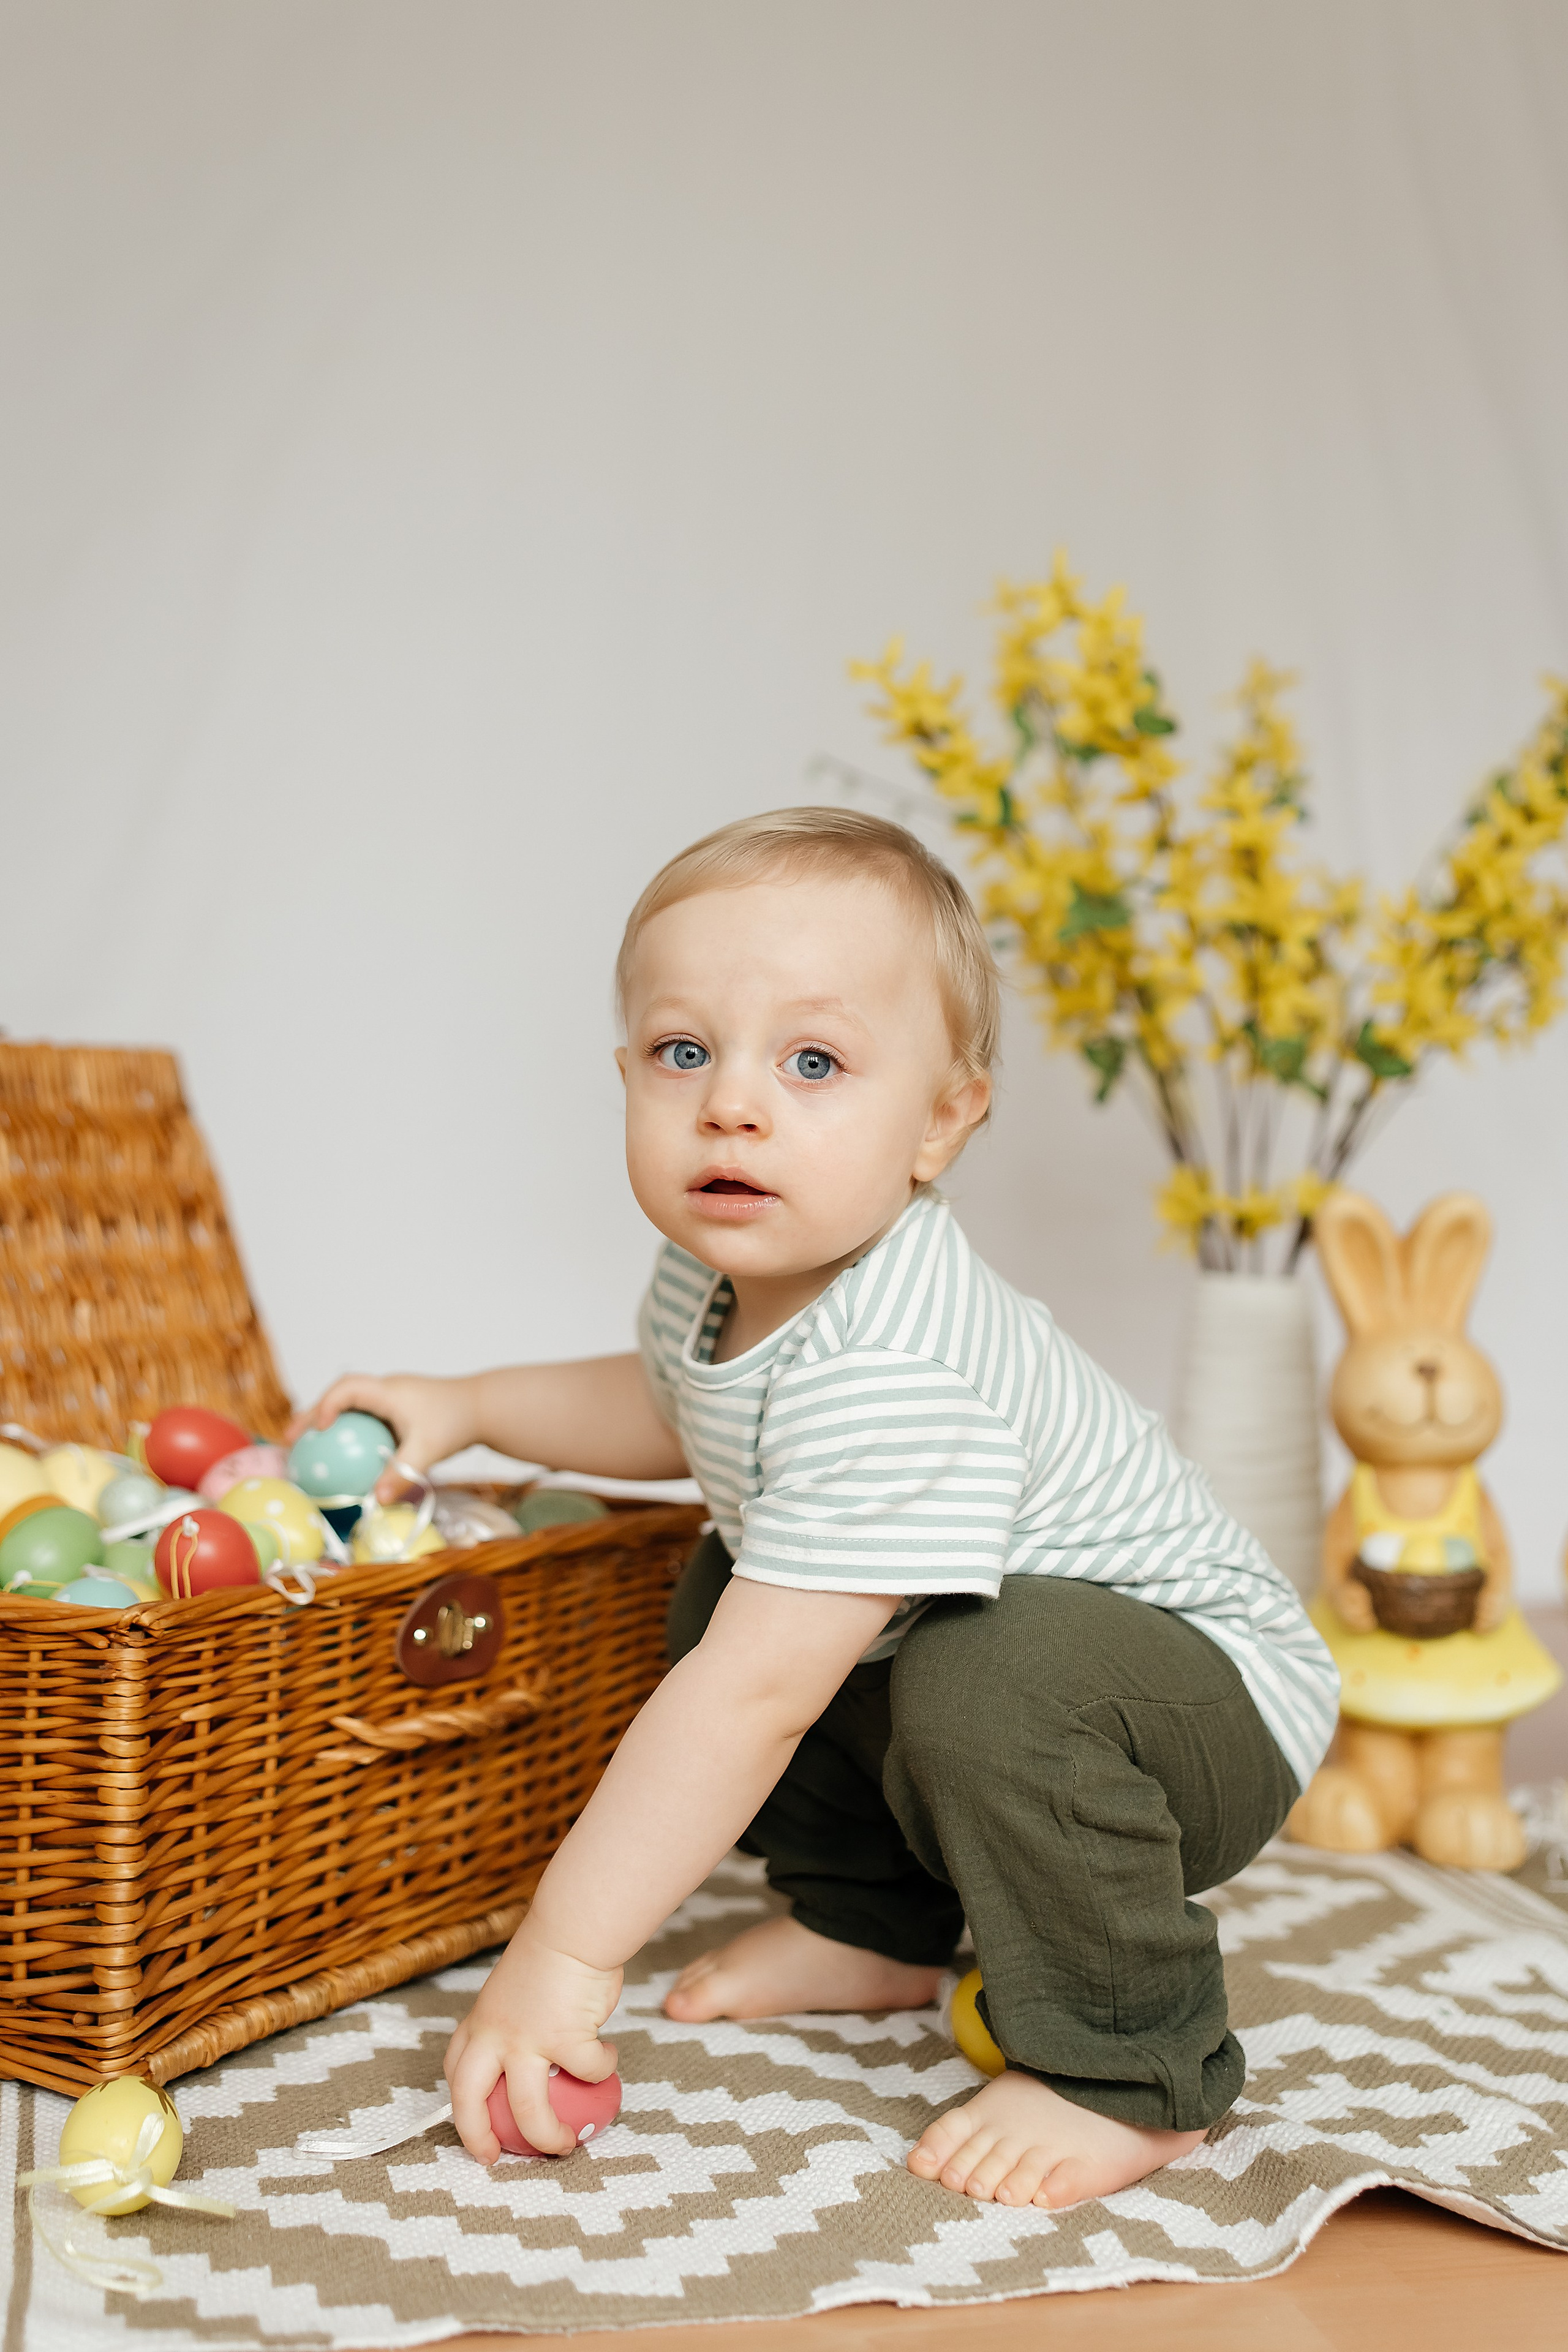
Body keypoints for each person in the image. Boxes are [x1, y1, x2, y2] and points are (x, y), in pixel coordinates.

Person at [293, 807, 1338, 2211]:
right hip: (1039, 1669)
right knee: (740, 1576)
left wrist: (563, 1953)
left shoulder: (895, 1358)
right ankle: (873, 1927)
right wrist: (472, 1399)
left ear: (940, 1119)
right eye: (682, 1053)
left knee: (927, 1667)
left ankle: (1130, 2071)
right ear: (624, 1075)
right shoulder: (722, 1272)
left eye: (812, 1061)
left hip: (1207, 1712)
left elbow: (751, 1702)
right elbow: (671, 1406)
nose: (731, 1103)